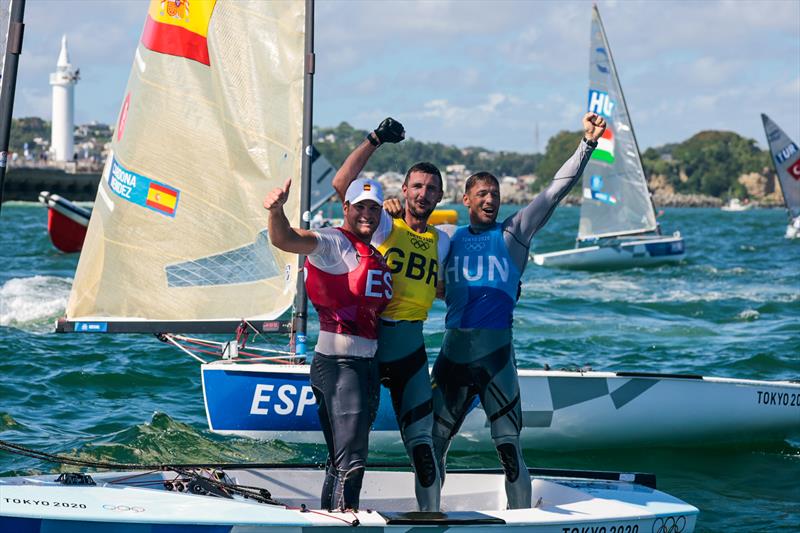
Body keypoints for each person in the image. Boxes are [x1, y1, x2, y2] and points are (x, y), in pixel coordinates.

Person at [431, 112, 607, 509]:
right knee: (433, 446)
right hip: (453, 356)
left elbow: (553, 192)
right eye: (483, 194)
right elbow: (420, 267)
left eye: (495, 194)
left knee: (509, 450)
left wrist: (588, 144)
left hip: (496, 359)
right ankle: (428, 515)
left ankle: (521, 519)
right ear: (466, 200)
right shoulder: (447, 240)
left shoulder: (514, 234)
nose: (491, 199)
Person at [331, 117, 449, 511]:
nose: (424, 193)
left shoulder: (442, 241)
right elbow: (341, 186)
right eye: (417, 186)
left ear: (439, 197)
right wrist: (375, 139)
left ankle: (431, 519)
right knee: (352, 446)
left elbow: (447, 289)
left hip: (411, 350)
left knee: (424, 451)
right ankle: (340, 516)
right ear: (404, 191)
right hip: (368, 344)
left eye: (432, 188)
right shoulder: (383, 224)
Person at [263, 176, 392, 512]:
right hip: (339, 368)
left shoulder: (373, 249)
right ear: (345, 208)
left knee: (341, 462)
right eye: (360, 207)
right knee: (352, 463)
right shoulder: (333, 243)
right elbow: (286, 239)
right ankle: (342, 523)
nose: (367, 214)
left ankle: (326, 521)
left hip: (365, 368)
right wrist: (277, 211)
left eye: (374, 208)